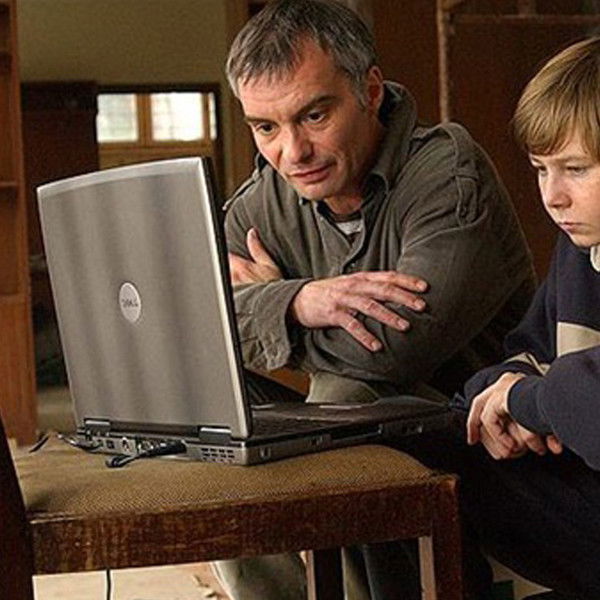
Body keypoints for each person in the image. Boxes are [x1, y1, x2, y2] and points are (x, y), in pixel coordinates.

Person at [215, 1, 535, 598]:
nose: (292, 153)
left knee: (344, 399)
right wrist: (295, 302)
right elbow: (194, 325)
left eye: (314, 115)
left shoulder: (447, 173)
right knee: (213, 403)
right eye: (265, 128)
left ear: (369, 90)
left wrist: (263, 309)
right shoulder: (266, 199)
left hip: (481, 435)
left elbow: (391, 348)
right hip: (355, 429)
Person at [455, 36, 600, 600]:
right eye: (541, 169)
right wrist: (500, 399)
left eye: (576, 169)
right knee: (422, 450)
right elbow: (520, 358)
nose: (552, 196)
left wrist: (528, 401)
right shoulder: (579, 248)